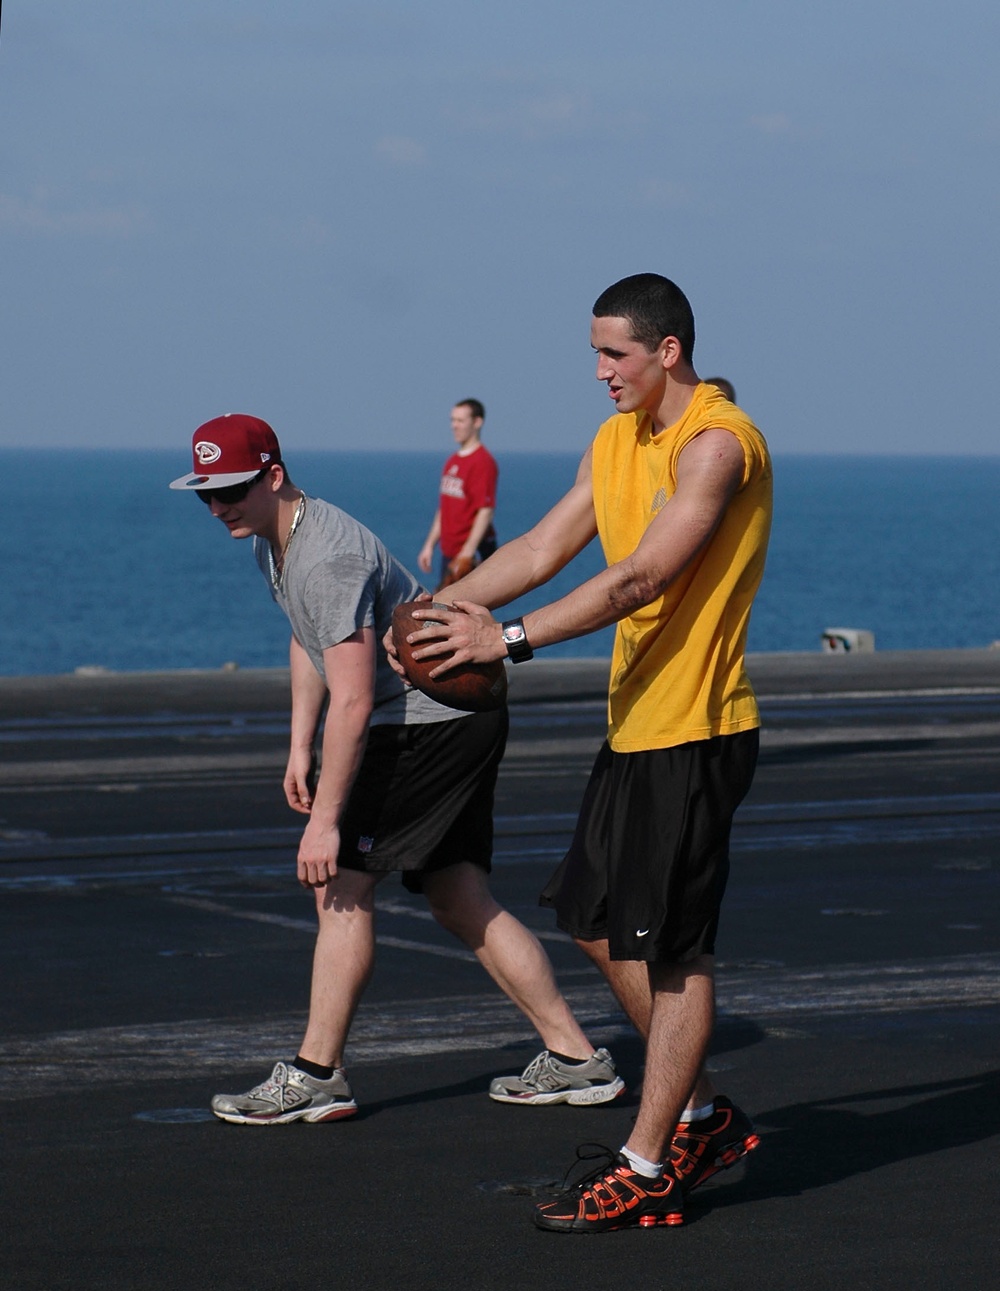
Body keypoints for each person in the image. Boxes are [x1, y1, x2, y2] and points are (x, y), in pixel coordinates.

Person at [391, 274, 772, 1230]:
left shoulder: (717, 442)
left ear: (668, 351)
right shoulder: (616, 441)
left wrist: (507, 640)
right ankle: (701, 1113)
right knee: (596, 922)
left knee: (677, 953)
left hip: (701, 727)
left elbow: (643, 572)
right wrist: (450, 607)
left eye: (616, 354)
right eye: (596, 353)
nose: (601, 371)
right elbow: (539, 544)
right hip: (638, 725)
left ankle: (650, 1163)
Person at [168, 414, 623, 1125]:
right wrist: (297, 745)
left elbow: (353, 699)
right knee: (458, 894)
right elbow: (306, 638)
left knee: (341, 884)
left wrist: (325, 824)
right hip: (445, 720)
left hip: (426, 723)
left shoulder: (326, 556)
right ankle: (575, 1057)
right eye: (205, 495)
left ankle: (319, 1072)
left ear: (274, 476)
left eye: (230, 490)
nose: (217, 506)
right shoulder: (275, 543)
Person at [418, 399, 498, 588]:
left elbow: (485, 510)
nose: (454, 426)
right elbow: (444, 508)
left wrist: (468, 553)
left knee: (459, 610)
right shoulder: (452, 461)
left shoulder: (482, 462)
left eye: (460, 421)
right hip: (450, 552)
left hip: (471, 553)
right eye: (452, 420)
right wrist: (429, 545)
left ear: (477, 422)